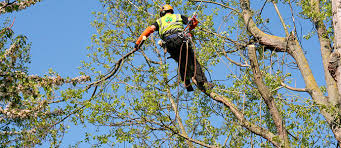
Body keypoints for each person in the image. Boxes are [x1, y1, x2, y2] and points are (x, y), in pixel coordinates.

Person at [134, 4, 212, 92]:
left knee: (181, 60)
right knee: (192, 61)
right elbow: (192, 23)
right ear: (171, 11)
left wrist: (138, 43)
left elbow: (149, 30)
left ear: (162, 12)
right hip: (180, 40)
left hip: (169, 44)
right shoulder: (178, 16)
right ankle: (203, 82)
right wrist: (193, 21)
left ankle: (186, 81)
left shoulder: (159, 21)